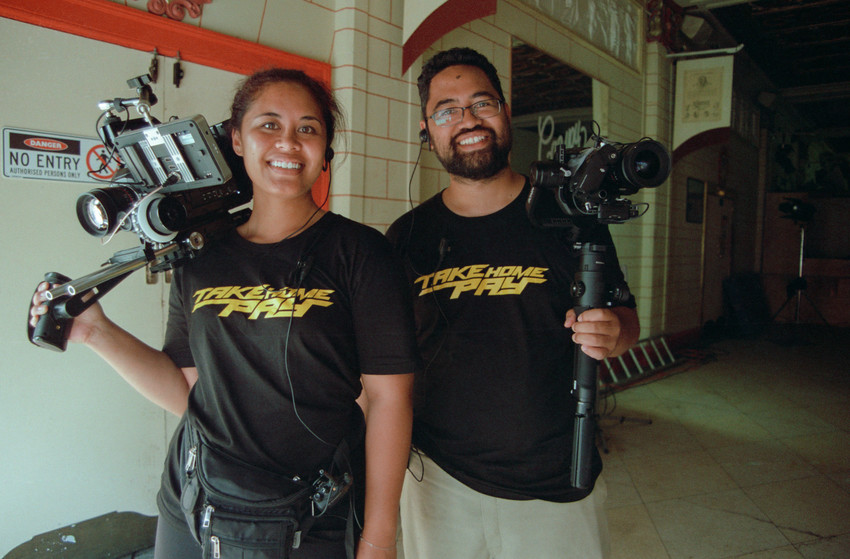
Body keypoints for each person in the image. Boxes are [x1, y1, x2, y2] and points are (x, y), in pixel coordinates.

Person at [30, 68, 419, 559]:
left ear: (325, 150)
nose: (289, 143)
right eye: (269, 125)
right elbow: (188, 391)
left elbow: (390, 401)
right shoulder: (199, 254)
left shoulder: (360, 253)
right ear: (236, 139)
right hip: (196, 503)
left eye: (308, 128)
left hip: (312, 515)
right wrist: (97, 332)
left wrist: (379, 537)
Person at [386, 48, 640, 559]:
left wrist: (614, 332)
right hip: (438, 479)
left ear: (504, 110)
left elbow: (625, 319)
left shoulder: (571, 214)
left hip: (556, 479)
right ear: (427, 129)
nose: (468, 120)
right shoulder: (407, 236)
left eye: (482, 103)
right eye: (447, 110)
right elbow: (387, 363)